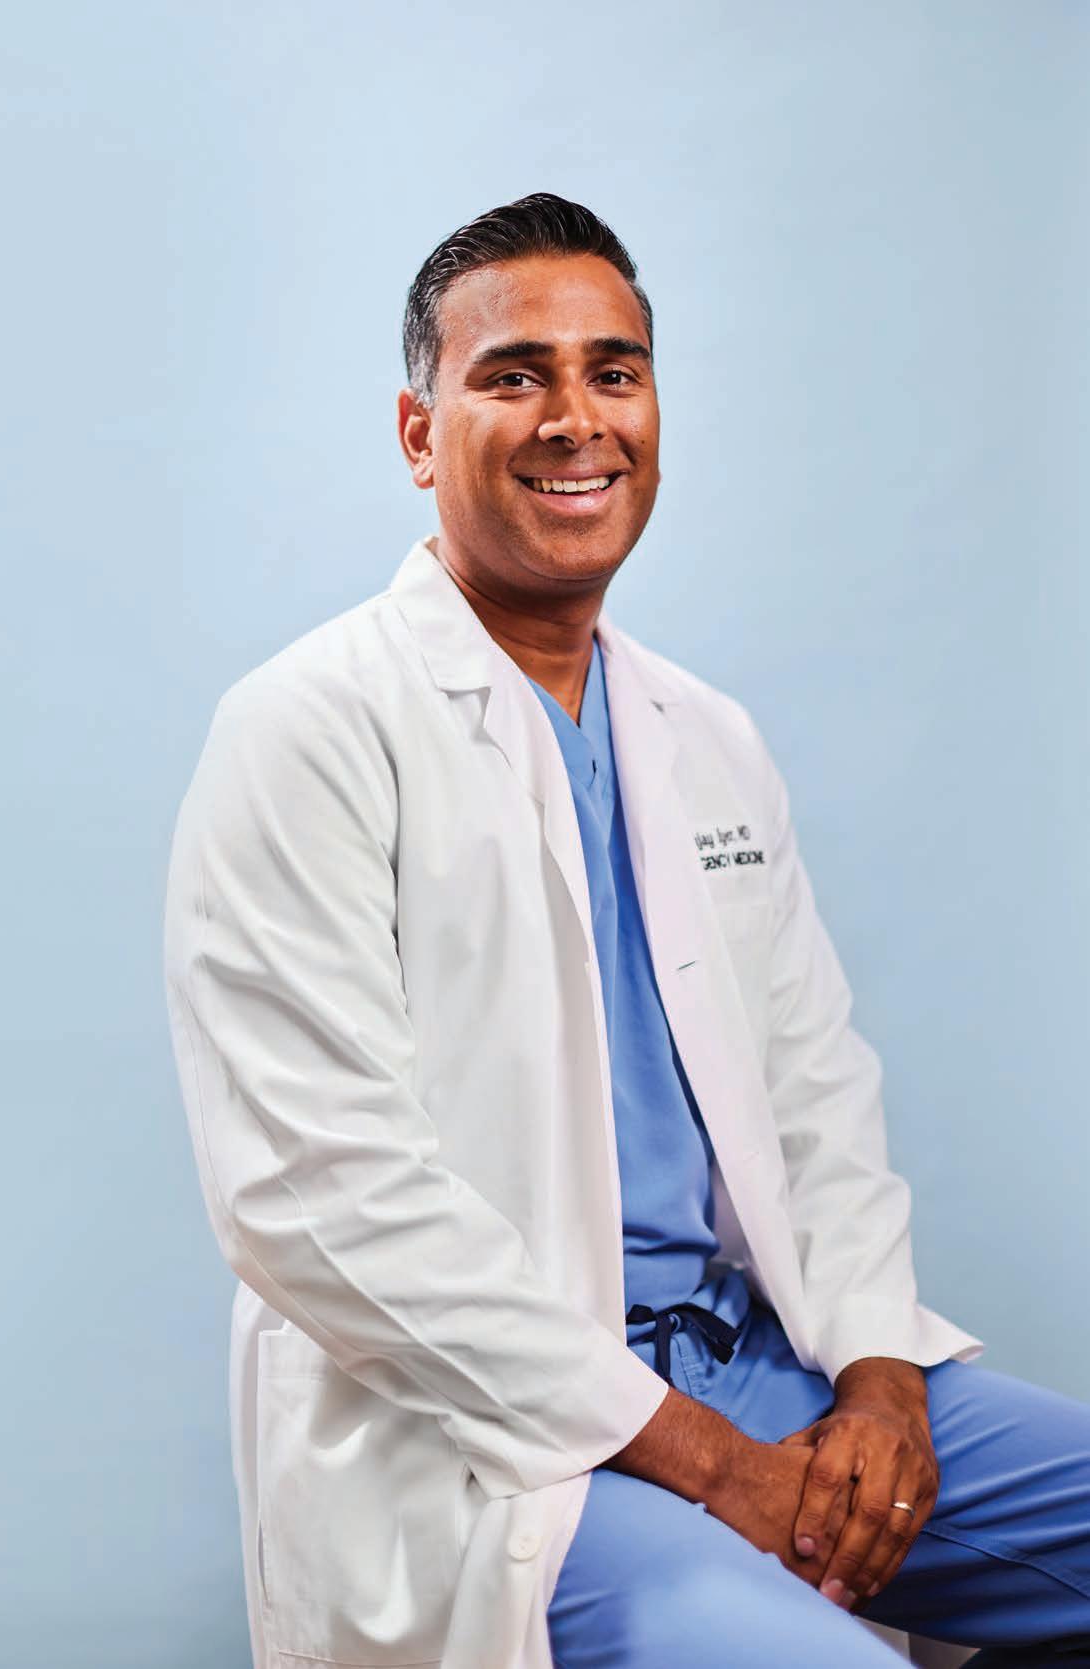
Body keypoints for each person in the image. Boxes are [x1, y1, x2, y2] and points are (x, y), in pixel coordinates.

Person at [163, 193, 1090, 1669]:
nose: (575, 418)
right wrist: (711, 1465)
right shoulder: (309, 729)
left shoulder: (705, 735)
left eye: (614, 371)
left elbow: (819, 1105)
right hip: (500, 1444)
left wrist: (880, 1383)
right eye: (513, 375)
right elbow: (322, 1198)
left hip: (764, 1371)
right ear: (418, 435)